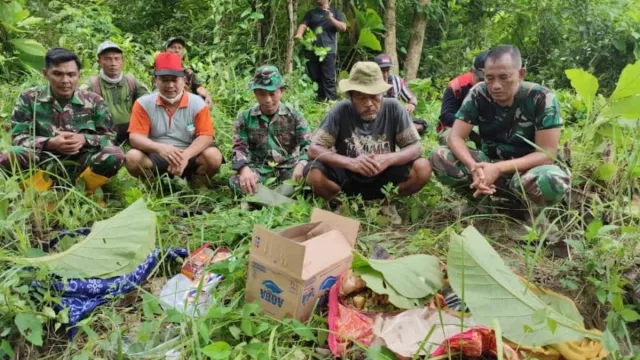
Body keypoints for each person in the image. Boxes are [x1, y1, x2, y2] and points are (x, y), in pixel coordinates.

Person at [430, 45, 570, 211]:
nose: (496, 85)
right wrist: (473, 167)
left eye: (504, 77)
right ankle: (481, 203)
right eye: (489, 78)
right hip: (488, 166)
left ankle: (533, 213)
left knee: (551, 178)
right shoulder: (478, 93)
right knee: (440, 156)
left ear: (521, 74)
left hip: (528, 171)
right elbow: (456, 137)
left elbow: (547, 153)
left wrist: (498, 168)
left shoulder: (541, 98)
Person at [304, 61, 432, 221]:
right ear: (350, 96)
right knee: (312, 173)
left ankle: (385, 203)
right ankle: (344, 204)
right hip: (348, 177)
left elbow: (416, 148)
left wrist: (388, 159)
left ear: (382, 94)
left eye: (374, 96)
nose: (369, 104)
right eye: (361, 97)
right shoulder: (341, 110)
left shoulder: (393, 108)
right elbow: (313, 149)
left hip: (384, 177)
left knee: (423, 167)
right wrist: (351, 163)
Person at [0, 48, 124, 194]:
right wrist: (50, 143)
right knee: (11, 154)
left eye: (71, 75)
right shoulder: (29, 98)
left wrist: (84, 139)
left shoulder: (94, 101)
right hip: (42, 160)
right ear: (46, 74)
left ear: (79, 75)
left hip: (82, 161)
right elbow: (18, 138)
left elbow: (109, 137)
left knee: (115, 155)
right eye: (58, 74)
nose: (65, 80)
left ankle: (84, 191)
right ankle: (40, 193)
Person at [124, 52, 223, 186]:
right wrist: (160, 148)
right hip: (156, 156)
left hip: (190, 154)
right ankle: (154, 185)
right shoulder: (143, 103)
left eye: (175, 80)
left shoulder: (198, 103)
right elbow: (135, 137)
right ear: (155, 80)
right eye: (165, 80)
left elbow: (206, 136)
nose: (170, 85)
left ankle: (198, 183)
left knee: (214, 156)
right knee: (132, 158)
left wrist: (186, 155)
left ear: (184, 80)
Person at [230, 65, 311, 195]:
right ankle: (281, 197)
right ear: (255, 94)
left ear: (281, 91)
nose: (268, 100)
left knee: (312, 176)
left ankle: (261, 198)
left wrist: (301, 164)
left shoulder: (295, 116)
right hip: (260, 170)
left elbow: (308, 145)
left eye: (272, 94)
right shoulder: (245, 118)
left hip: (290, 169)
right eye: (262, 94)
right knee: (236, 181)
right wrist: (244, 169)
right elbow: (239, 149)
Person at [81, 41, 149, 144]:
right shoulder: (91, 84)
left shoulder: (131, 81)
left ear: (122, 61)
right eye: (107, 59)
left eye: (117, 59)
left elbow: (149, 100)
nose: (113, 63)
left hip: (131, 132)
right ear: (99, 61)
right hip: (104, 134)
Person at [294, 0, 346, 102]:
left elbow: (343, 27)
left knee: (329, 78)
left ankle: (331, 103)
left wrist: (330, 18)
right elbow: (303, 25)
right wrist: (299, 34)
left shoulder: (335, 12)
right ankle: (318, 102)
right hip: (312, 50)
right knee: (315, 77)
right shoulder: (311, 13)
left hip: (328, 51)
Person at [437, 50, 489, 146]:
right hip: (455, 127)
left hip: (489, 132)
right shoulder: (457, 86)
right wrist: (470, 125)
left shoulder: (499, 88)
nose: (484, 84)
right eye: (481, 80)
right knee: (452, 140)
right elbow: (446, 116)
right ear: (472, 72)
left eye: (490, 79)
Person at [373, 53, 428, 136]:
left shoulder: (397, 81)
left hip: (395, 119)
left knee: (421, 124)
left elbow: (412, 97)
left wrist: (412, 104)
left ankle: (397, 132)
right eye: (382, 70)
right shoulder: (369, 82)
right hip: (375, 119)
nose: (385, 74)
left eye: (387, 70)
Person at [165, 37, 213, 107]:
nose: (176, 50)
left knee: (203, 98)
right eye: (173, 47)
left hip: (188, 104)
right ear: (166, 50)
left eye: (179, 48)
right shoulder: (161, 71)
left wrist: (208, 96)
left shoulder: (188, 72)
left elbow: (198, 87)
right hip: (169, 103)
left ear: (183, 52)